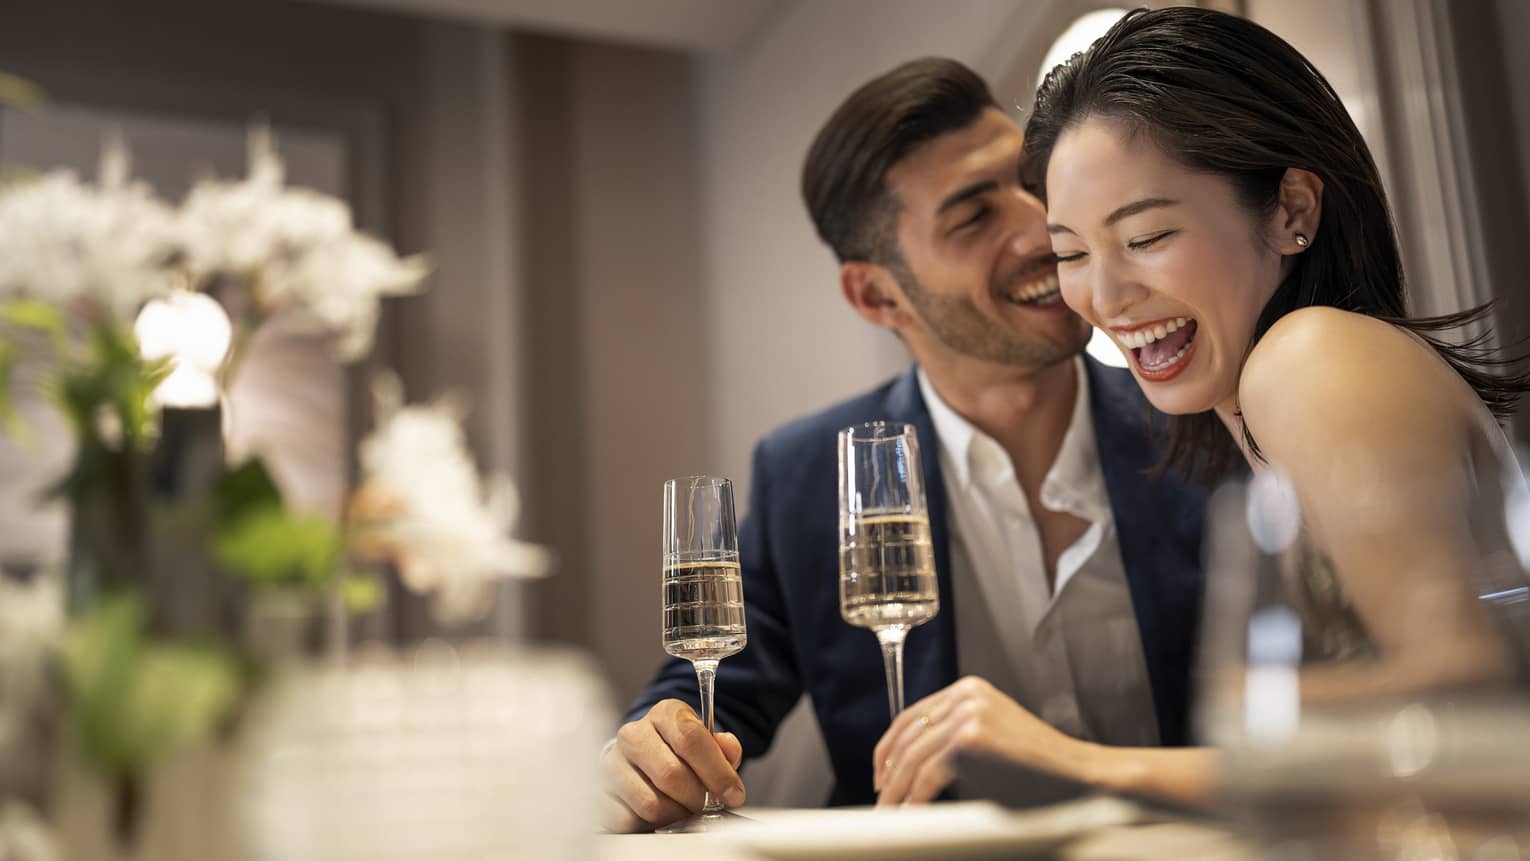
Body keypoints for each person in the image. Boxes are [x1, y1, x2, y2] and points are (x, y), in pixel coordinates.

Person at [873, 6, 1530, 809]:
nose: (1104, 298)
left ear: (1291, 209)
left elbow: (1469, 703)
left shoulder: (1309, 358)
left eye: (1146, 236)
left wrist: (1081, 763)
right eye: (1071, 252)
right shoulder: (1260, 397)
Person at [601, 57, 1209, 833]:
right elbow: (703, 693)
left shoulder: (1207, 427)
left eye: (1032, 182)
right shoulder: (805, 476)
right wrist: (650, 752)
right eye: (973, 217)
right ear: (877, 294)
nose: (1040, 227)